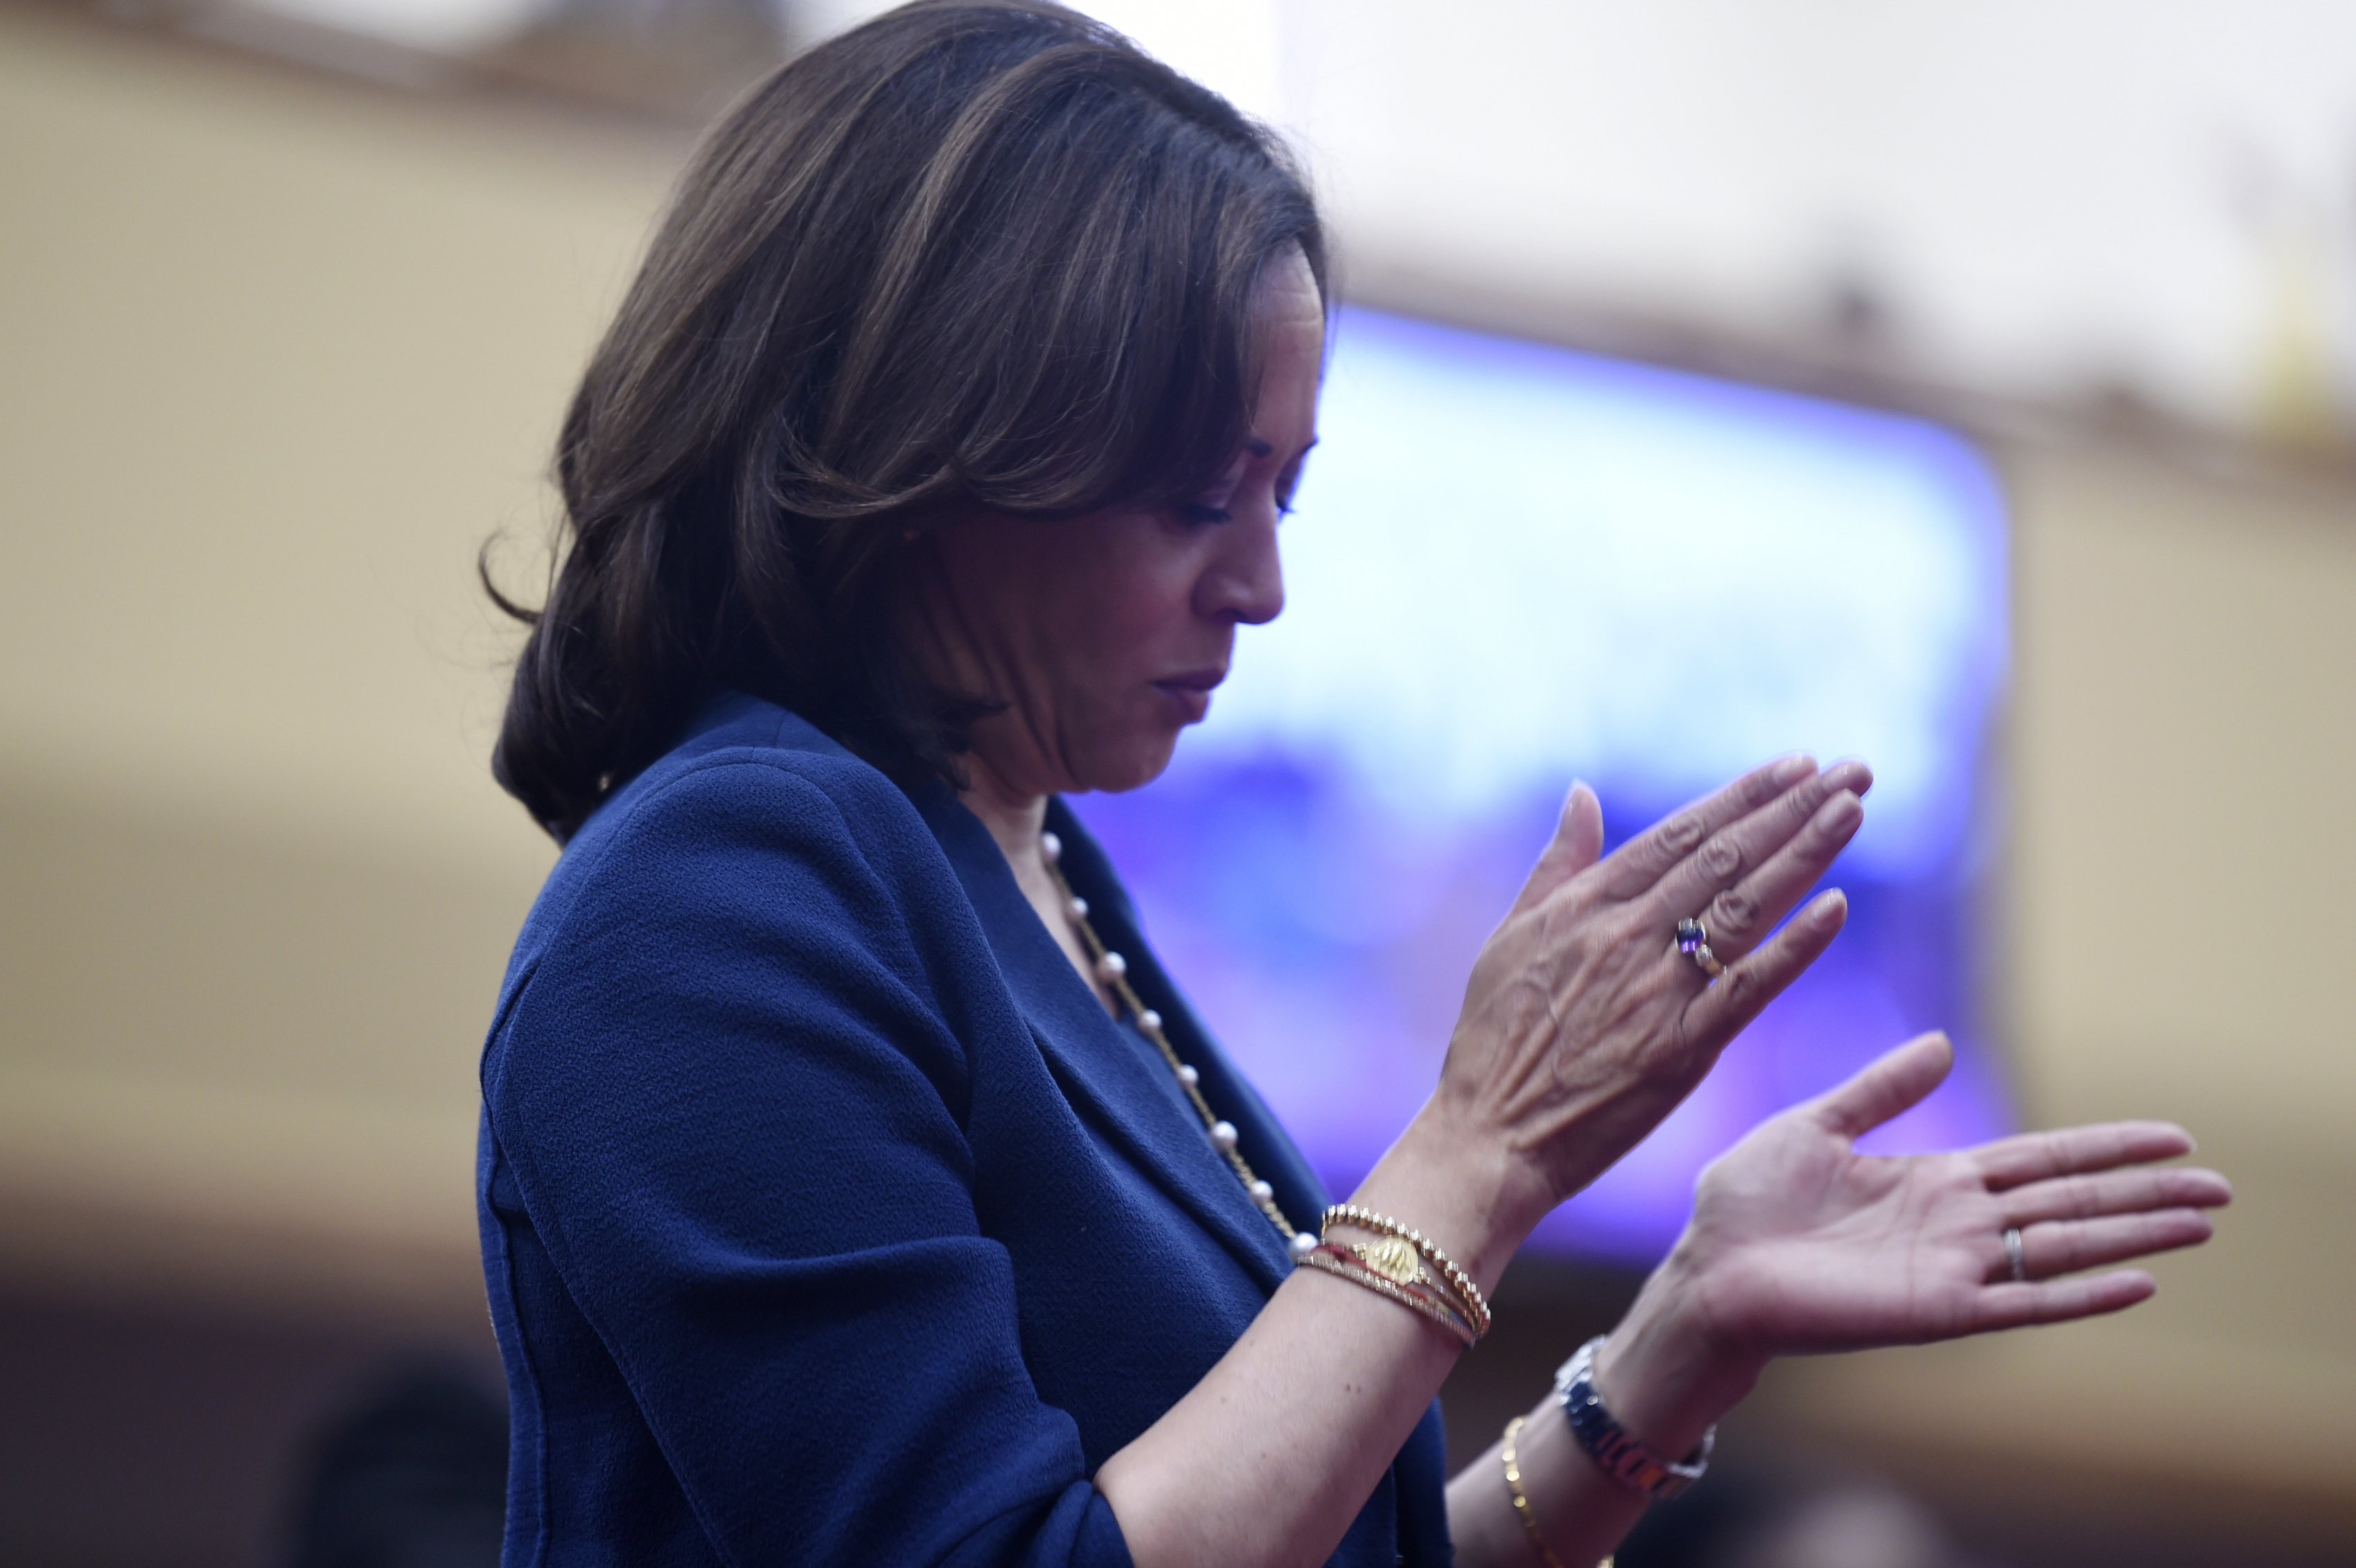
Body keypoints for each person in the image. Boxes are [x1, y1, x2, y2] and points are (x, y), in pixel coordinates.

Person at [475, 5, 2229, 1565]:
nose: (1259, 587)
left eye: (1281, 500)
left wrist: (1665, 1345)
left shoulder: (1034, 870)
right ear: (925, 449)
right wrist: (1475, 1152)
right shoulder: (723, 891)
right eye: (1191, 499)